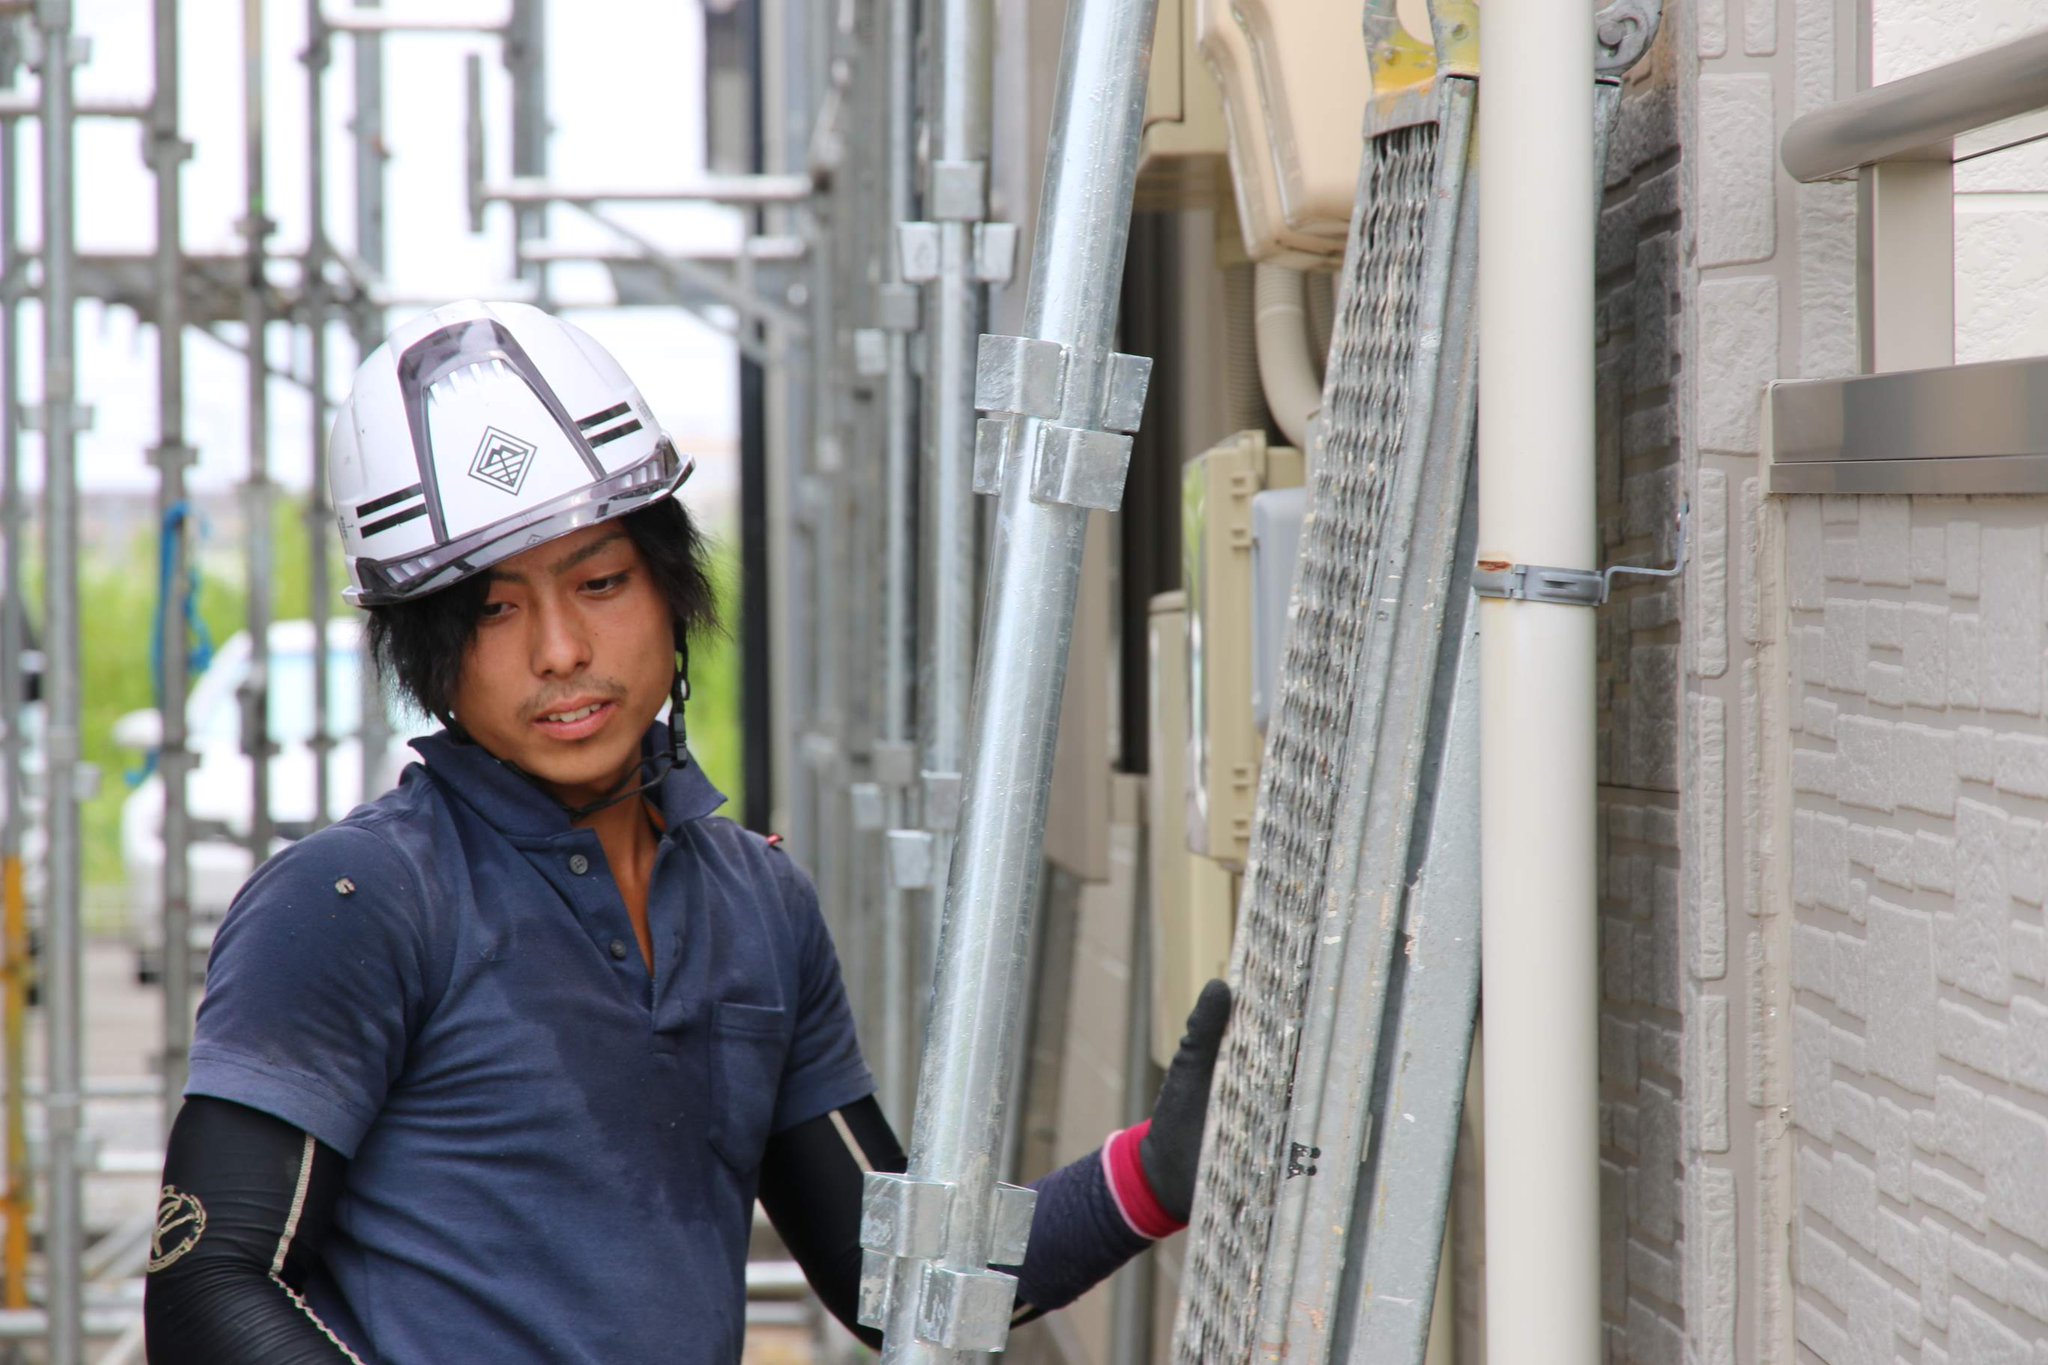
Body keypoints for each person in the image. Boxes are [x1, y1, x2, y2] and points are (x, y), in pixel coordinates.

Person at [142, 300, 1230, 1364]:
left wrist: (1151, 1175)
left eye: (601, 581)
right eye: (491, 609)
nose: (561, 649)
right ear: (425, 654)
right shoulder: (352, 902)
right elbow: (207, 1295)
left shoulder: (757, 905)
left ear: (672, 591)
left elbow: (893, 1283)